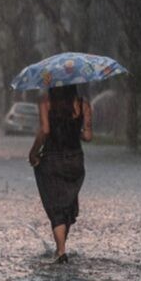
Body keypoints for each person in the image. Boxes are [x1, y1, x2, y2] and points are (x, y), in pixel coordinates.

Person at [28, 85, 93, 264]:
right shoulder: (83, 104)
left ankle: (61, 251)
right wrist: (73, 130)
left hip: (52, 159)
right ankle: (61, 247)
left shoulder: (46, 103)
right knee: (67, 204)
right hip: (75, 161)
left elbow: (45, 131)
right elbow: (88, 136)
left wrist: (33, 152)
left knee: (56, 206)